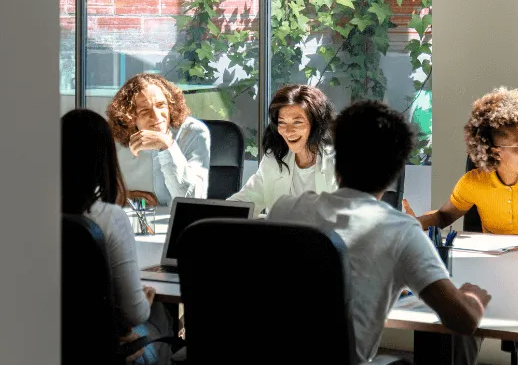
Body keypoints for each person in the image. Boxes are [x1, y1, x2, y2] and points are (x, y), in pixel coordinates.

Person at [269, 101, 491, 365]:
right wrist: (474, 297)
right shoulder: (400, 230)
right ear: (394, 174)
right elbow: (463, 320)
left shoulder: (284, 210)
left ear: (337, 161)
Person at [403, 87, 518, 365]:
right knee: (459, 317)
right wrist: (417, 222)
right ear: (496, 151)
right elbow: (445, 216)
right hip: (491, 273)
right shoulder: (475, 181)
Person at [62, 109, 174, 364]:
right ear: (105, 158)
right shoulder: (110, 217)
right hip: (101, 347)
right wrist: (143, 302)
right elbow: (134, 314)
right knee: (159, 316)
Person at [228, 84, 337, 216]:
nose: (288, 131)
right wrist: (215, 215)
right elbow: (249, 197)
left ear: (315, 124)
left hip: (323, 236)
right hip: (281, 235)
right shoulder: (275, 159)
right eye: (282, 123)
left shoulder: (339, 163)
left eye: (297, 122)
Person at [107, 73, 210, 207]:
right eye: (145, 110)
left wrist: (167, 146)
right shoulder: (114, 138)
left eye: (161, 105)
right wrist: (123, 196)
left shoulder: (192, 132)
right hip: (131, 222)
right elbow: (91, 191)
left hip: (177, 224)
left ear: (170, 105)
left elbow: (192, 201)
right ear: (129, 118)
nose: (156, 116)